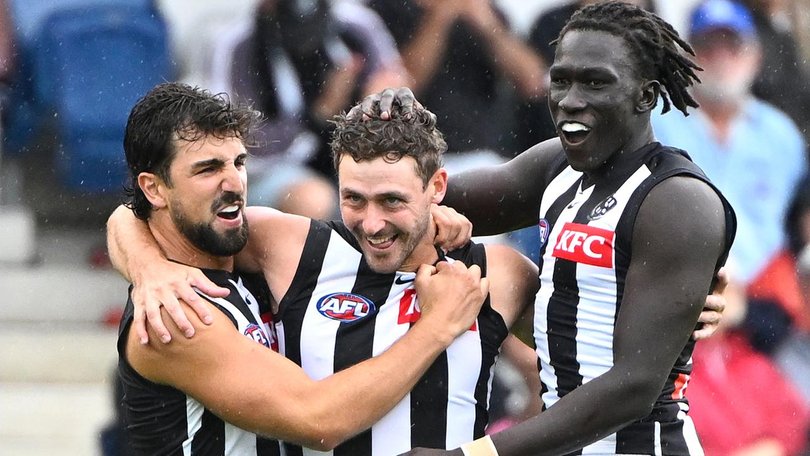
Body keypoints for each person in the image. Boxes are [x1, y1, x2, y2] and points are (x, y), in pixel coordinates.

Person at [109, 89, 728, 455]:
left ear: (437, 188)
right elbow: (316, 420)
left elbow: (585, 349)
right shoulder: (277, 254)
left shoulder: (495, 272)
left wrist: (679, 302)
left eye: (393, 202)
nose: (371, 223)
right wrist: (144, 266)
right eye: (354, 199)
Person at [357, 2, 737, 454]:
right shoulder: (556, 165)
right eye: (562, 80)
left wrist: (476, 454)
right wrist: (393, 128)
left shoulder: (678, 201)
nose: (571, 100)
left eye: (596, 82)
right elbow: (417, 199)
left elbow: (633, 387)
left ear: (646, 95)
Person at [113, 81, 489, 454]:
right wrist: (437, 326)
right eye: (208, 169)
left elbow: (126, 218)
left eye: (239, 162)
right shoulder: (173, 316)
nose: (234, 184)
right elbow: (318, 421)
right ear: (154, 189)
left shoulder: (233, 248)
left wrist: (418, 215)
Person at [651, 0, 806, 285]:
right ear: (688, 59)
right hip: (677, 287)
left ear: (756, 57)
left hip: (767, 303)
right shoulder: (653, 120)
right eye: (708, 47)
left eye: (733, 46)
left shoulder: (782, 135)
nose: (721, 58)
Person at [687, 264, 810, 456]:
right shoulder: (680, 369)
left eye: (732, 288)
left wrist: (773, 447)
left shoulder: (748, 356)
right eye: (720, 288)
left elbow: (794, 419)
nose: (730, 296)